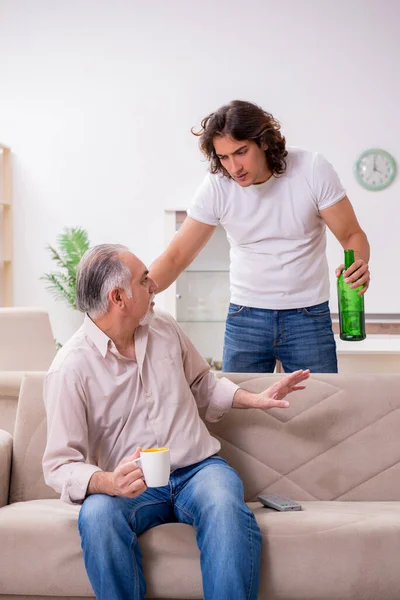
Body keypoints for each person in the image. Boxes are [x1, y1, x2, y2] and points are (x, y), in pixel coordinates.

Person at [42, 243, 310, 600]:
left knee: (225, 505)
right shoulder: (70, 368)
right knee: (97, 517)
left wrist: (254, 399)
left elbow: (202, 383)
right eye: (145, 280)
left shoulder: (164, 326)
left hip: (197, 470)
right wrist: (107, 481)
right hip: (131, 484)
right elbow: (60, 464)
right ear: (118, 297)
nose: (154, 285)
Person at [149, 100, 370, 374]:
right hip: (246, 318)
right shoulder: (218, 185)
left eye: (240, 152)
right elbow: (176, 256)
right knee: (238, 412)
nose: (234, 166)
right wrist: (139, 293)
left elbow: (352, 234)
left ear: (263, 142)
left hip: (308, 317)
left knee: (318, 408)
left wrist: (359, 263)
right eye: (224, 157)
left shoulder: (312, 169)